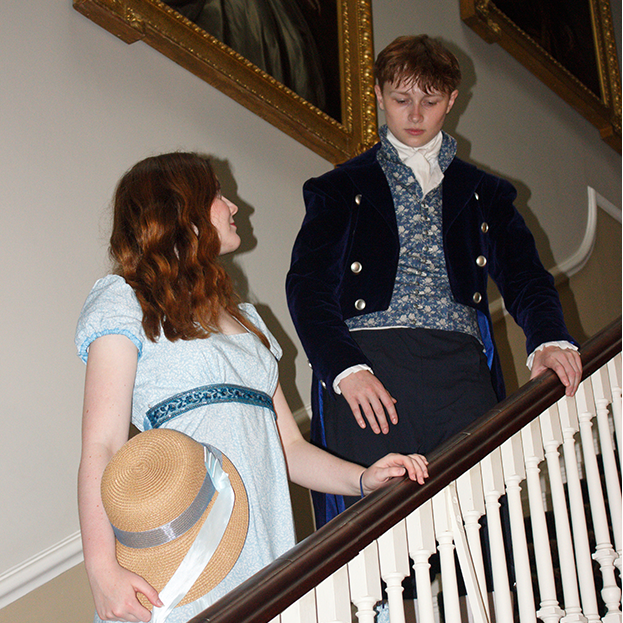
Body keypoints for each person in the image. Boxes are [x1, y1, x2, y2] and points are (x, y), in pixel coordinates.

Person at [75, 152, 429, 623]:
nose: (233, 206)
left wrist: (361, 479)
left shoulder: (249, 322)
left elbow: (289, 448)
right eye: (218, 196)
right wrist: (101, 570)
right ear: (181, 211)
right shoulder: (124, 300)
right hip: (190, 556)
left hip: (268, 550)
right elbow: (102, 446)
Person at [286, 34, 582, 528]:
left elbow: (525, 275)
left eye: (430, 100)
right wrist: (345, 369)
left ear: (452, 100)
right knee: (380, 536)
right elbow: (308, 286)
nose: (415, 114)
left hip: (460, 371)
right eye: (401, 99)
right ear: (379, 95)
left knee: (481, 522)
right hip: (371, 371)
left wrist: (548, 339)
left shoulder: (485, 192)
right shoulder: (339, 187)